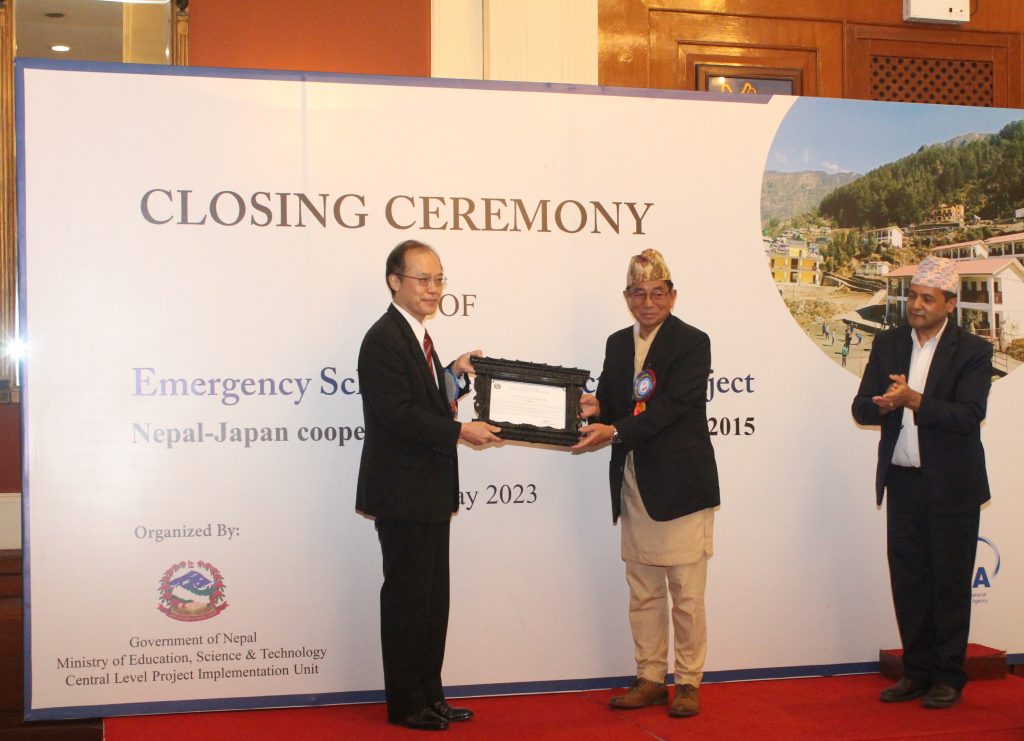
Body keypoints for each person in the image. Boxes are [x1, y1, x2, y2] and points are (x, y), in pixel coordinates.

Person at [356, 240, 501, 731]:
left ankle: (431, 696)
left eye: (439, 279)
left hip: (429, 494)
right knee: (406, 602)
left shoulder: (418, 336)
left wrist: (453, 374)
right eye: (423, 279)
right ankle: (406, 704)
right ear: (394, 281)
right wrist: (460, 429)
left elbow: (426, 397)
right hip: (402, 495)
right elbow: (397, 415)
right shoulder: (382, 339)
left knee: (431, 601)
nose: (433, 288)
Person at [573, 248, 720, 718]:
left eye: (658, 293)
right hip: (635, 481)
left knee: (687, 594)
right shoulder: (618, 343)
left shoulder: (693, 342)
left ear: (672, 296)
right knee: (643, 592)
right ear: (627, 297)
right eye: (639, 293)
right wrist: (598, 410)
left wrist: (614, 429)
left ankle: (690, 681)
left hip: (680, 485)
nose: (648, 302)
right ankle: (651, 678)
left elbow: (673, 407)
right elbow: (621, 403)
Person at [852, 255, 992, 710]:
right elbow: (860, 408)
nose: (915, 305)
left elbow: (969, 416)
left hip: (952, 485)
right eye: (912, 296)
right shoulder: (890, 344)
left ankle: (948, 675)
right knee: (909, 580)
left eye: (926, 298)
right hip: (903, 482)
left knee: (948, 583)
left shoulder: (972, 351)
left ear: (949, 304)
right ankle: (916, 671)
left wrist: (916, 400)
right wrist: (885, 406)